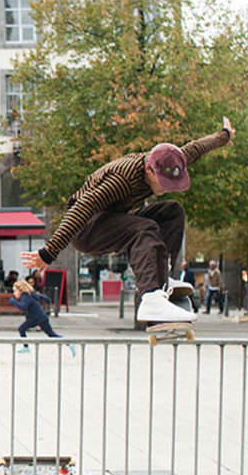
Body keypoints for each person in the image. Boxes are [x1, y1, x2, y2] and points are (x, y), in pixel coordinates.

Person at [22, 118, 236, 326]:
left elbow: (196, 148)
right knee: (144, 229)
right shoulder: (122, 179)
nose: (165, 188)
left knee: (172, 212)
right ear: (149, 169)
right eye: (162, 183)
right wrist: (48, 253)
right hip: (87, 229)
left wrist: (224, 135)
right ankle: (151, 298)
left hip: (112, 220)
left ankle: (162, 281)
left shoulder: (168, 159)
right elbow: (81, 209)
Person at [10, 277, 61, 344]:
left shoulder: (25, 296)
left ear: (21, 290)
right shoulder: (30, 294)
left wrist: (13, 301)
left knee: (52, 334)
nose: (14, 293)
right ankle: (25, 346)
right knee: (21, 329)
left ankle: (69, 342)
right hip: (36, 318)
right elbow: (44, 297)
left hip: (39, 318)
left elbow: (23, 307)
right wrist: (48, 303)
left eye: (15, 291)